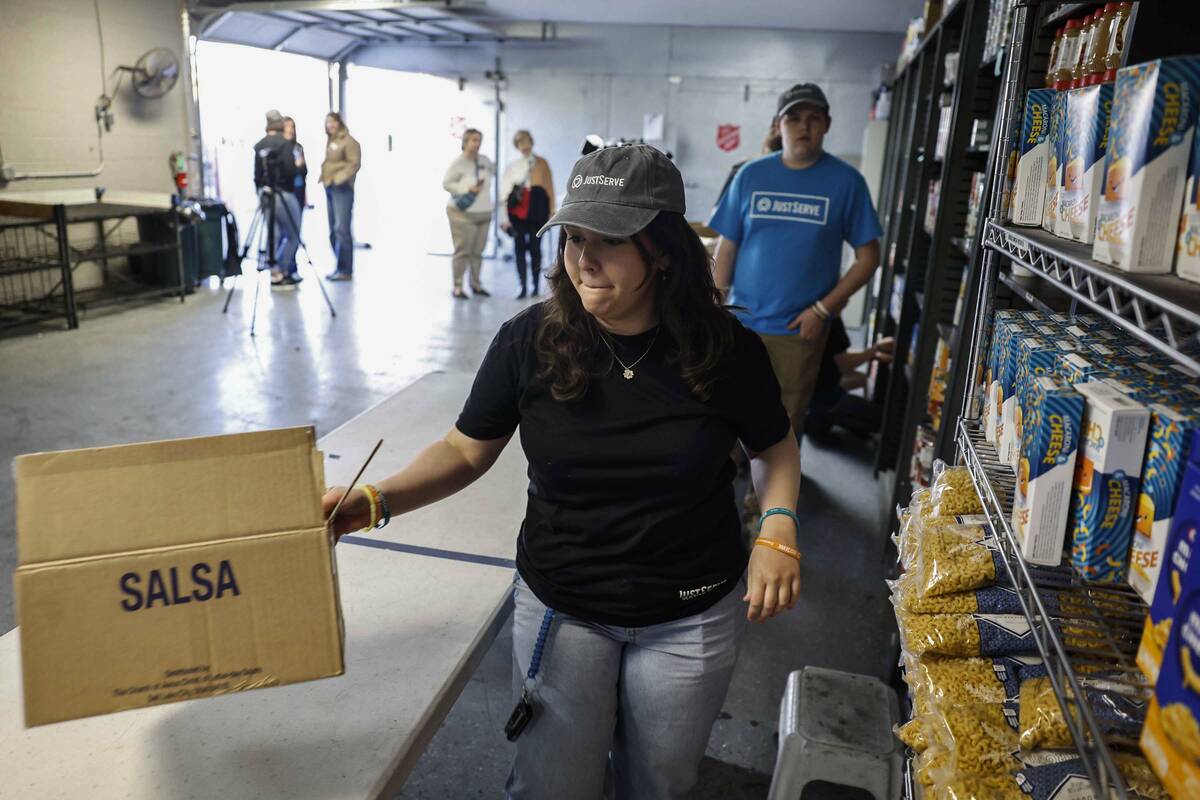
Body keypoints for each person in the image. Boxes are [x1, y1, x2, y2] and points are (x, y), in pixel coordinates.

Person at [324, 144, 802, 800]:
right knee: (554, 786)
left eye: (607, 239)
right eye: (573, 237)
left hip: (690, 610)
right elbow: (466, 450)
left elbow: (774, 449)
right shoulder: (531, 340)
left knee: (659, 785)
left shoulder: (725, 349)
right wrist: (374, 501)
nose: (582, 257)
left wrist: (778, 528)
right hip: (564, 604)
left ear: (660, 248)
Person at [708, 83, 883, 438]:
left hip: (797, 330)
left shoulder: (846, 181)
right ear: (778, 125)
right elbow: (726, 247)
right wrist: (712, 306)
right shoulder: (751, 175)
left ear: (827, 125)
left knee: (782, 424)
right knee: (722, 413)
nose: (804, 126)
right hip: (740, 323)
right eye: (794, 118)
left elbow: (869, 258)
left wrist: (822, 310)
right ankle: (723, 488)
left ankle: (767, 497)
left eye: (814, 118)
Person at [804, 317, 893, 442]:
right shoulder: (831, 321)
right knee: (883, 420)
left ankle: (818, 420)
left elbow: (836, 357)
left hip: (807, 393)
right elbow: (843, 364)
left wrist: (871, 354)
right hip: (824, 397)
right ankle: (820, 419)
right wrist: (874, 351)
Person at [500, 129, 555, 298]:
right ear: (516, 146)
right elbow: (504, 195)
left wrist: (552, 212)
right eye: (520, 142)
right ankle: (522, 285)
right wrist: (504, 218)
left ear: (531, 142)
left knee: (535, 248)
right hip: (517, 211)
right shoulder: (513, 167)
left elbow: (550, 189)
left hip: (538, 208)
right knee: (519, 247)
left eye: (526, 141)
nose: (524, 145)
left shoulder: (542, 163)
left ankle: (535, 285)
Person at [253, 109, 303, 288]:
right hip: (284, 194)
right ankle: (279, 269)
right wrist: (298, 168)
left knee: (273, 234)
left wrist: (260, 193)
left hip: (265, 194)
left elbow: (257, 176)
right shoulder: (285, 144)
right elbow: (291, 171)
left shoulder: (259, 146)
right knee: (293, 234)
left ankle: (273, 270)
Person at [443, 128, 494, 299]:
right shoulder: (458, 163)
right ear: (465, 142)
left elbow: (493, 176)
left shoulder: (485, 161)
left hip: (484, 213)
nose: (477, 143)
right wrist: (466, 188)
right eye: (473, 140)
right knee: (462, 251)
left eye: (479, 140)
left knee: (478, 252)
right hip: (462, 214)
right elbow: (447, 183)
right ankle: (457, 286)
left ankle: (476, 284)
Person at [319, 111, 361, 282]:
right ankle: (339, 266)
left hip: (342, 189)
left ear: (339, 123)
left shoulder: (349, 141)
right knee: (333, 230)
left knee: (342, 229)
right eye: (327, 122)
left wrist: (339, 179)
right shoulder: (332, 141)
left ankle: (345, 270)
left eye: (333, 122)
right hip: (330, 188)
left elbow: (354, 164)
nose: (330, 125)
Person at [282, 116, 308, 224]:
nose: (290, 129)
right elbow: (286, 171)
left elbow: (304, 170)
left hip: (299, 189)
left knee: (297, 223)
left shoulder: (298, 147)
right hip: (286, 191)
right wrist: (297, 166)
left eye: (292, 126)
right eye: (287, 126)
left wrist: (299, 167)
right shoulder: (280, 148)